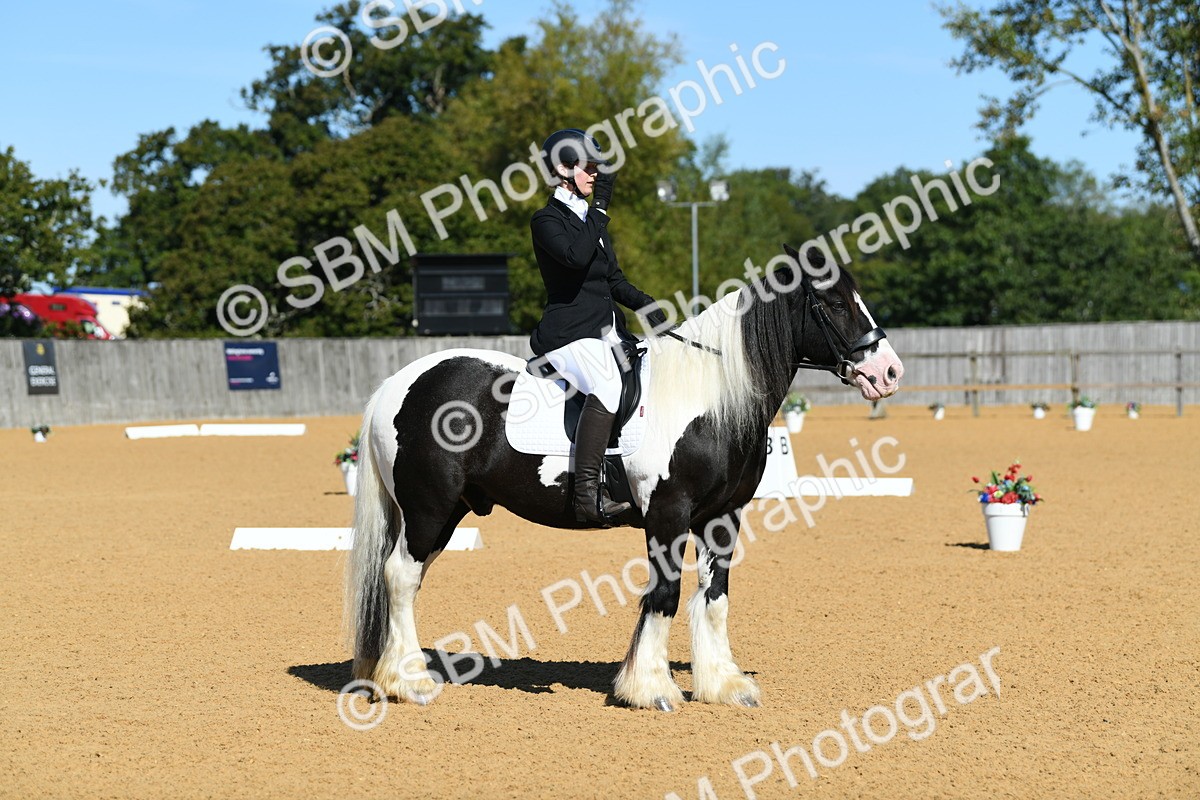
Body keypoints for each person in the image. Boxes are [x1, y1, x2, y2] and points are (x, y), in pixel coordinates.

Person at [529, 128, 667, 527]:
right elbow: (574, 258)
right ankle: (587, 496)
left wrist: (648, 305)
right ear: (562, 169)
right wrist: (601, 210)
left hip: (608, 331)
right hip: (568, 335)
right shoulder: (546, 220)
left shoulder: (594, 221)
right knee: (607, 383)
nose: (595, 175)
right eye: (589, 168)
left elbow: (614, 281)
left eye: (596, 169)